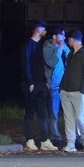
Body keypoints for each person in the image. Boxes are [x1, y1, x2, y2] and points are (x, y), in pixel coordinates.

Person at [21, 21, 57, 151]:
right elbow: (25, 64)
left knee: (43, 113)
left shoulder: (40, 45)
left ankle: (44, 140)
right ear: (38, 30)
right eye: (44, 29)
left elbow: (41, 65)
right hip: (30, 84)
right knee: (30, 112)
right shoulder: (28, 46)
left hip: (41, 83)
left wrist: (45, 81)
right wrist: (30, 82)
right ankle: (30, 140)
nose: (45, 32)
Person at [60, 29, 84, 153]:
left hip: (79, 91)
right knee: (69, 118)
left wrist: (83, 90)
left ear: (71, 39)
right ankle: (71, 143)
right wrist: (62, 87)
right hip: (66, 90)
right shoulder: (71, 54)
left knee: (80, 118)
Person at [42, 25, 70, 148]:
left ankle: (72, 137)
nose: (64, 37)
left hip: (63, 84)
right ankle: (55, 138)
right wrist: (59, 49)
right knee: (54, 112)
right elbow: (51, 62)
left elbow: (71, 56)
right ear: (54, 36)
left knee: (67, 112)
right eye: (61, 34)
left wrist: (66, 50)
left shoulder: (62, 46)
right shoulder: (47, 47)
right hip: (53, 84)